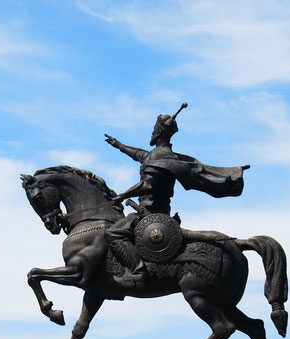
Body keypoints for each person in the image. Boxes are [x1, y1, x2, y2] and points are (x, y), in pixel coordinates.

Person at [104, 103, 249, 286]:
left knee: (113, 233)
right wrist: (120, 145)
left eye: (153, 130)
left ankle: (137, 270)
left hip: (152, 216)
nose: (151, 133)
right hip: (149, 213)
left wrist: (123, 195)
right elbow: (141, 155)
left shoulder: (159, 157)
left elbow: (147, 185)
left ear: (158, 133)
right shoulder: (161, 156)